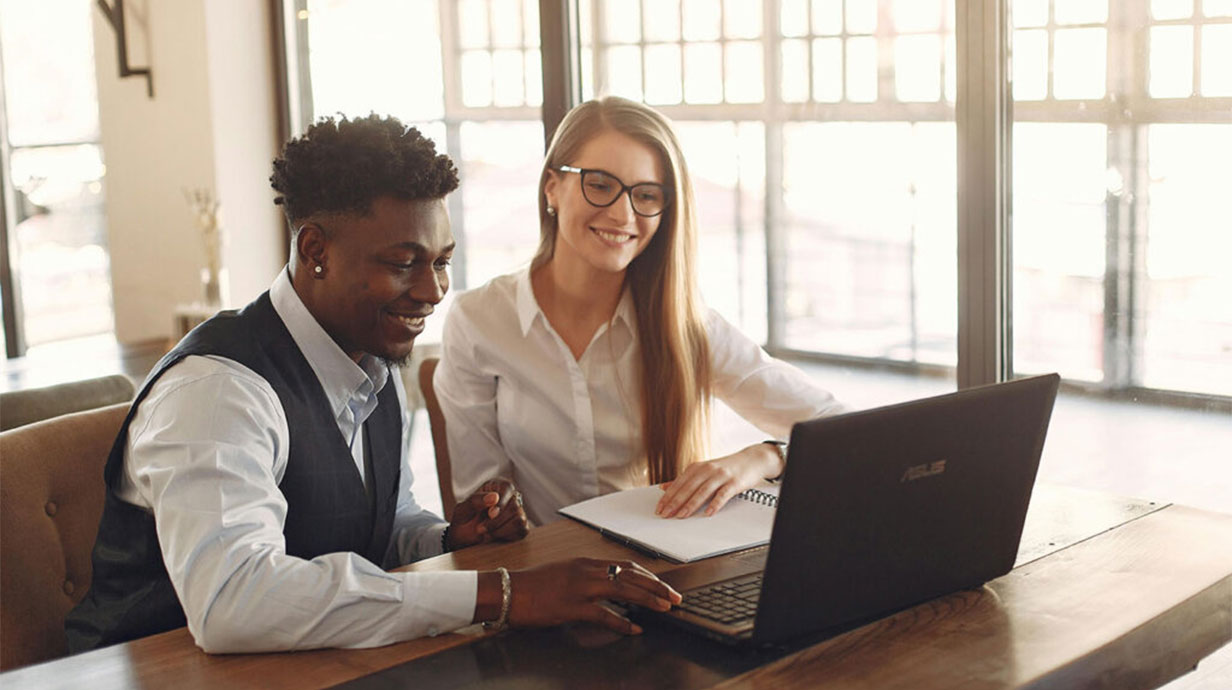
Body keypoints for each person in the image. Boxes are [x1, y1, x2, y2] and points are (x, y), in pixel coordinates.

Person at [65, 114, 679, 654]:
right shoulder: (218, 392)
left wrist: (441, 538)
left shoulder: (369, 358)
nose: (434, 291)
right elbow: (233, 601)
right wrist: (503, 592)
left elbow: (373, 526)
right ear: (316, 251)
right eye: (403, 262)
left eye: (440, 261)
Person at [435, 97, 845, 528]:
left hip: (664, 575)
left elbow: (844, 430)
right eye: (600, 184)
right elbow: (480, 505)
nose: (622, 213)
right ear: (552, 188)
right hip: (542, 578)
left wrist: (765, 456)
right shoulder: (478, 321)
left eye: (646, 194)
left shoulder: (686, 327)